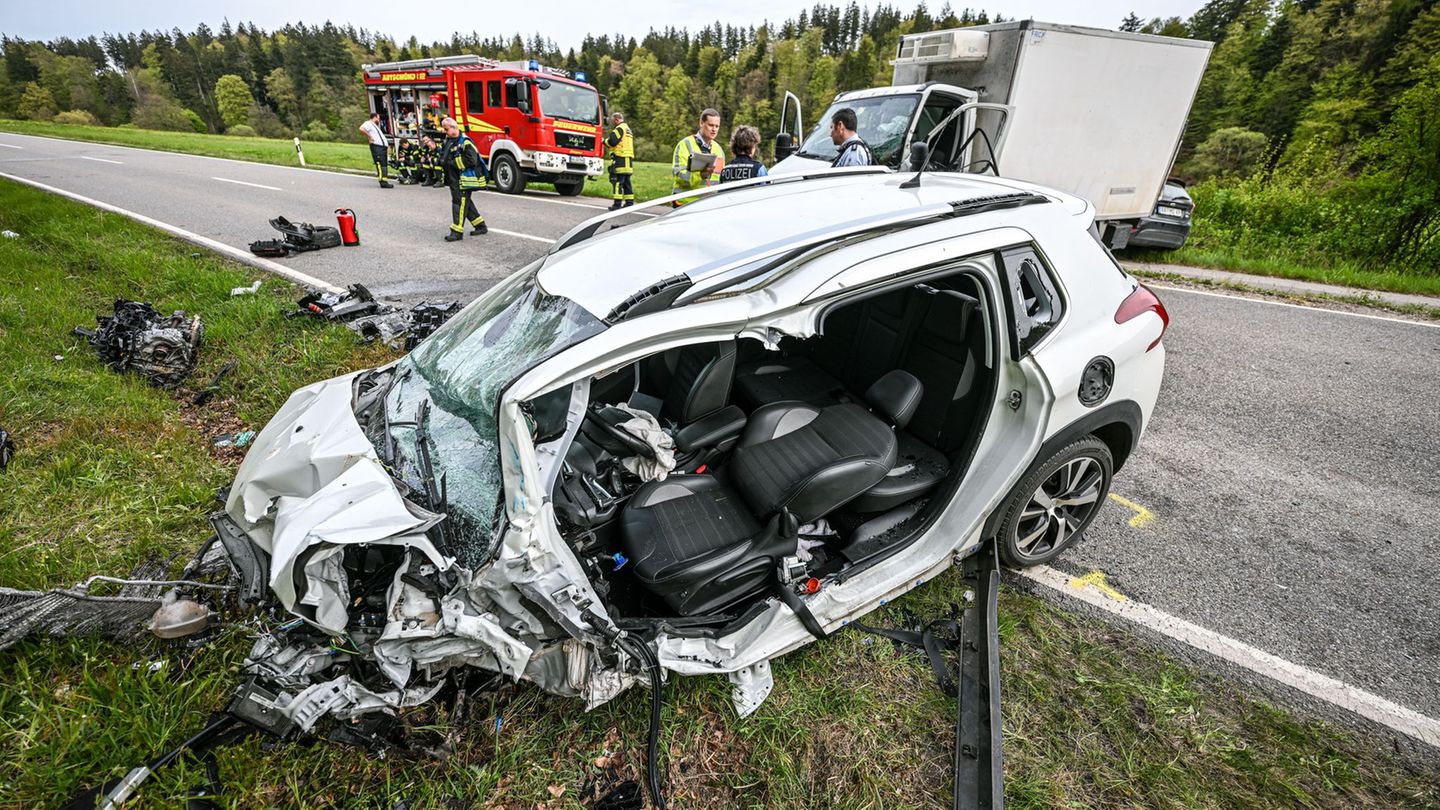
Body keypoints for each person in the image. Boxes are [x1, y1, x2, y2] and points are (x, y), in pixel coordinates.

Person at [438, 117, 488, 242]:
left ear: (454, 128)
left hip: (463, 180)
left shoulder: (465, 142)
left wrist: (452, 163)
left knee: (459, 203)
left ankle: (456, 232)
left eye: (446, 129)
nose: (445, 132)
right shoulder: (449, 140)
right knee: (466, 203)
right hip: (454, 179)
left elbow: (472, 160)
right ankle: (480, 226)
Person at [671, 108, 726, 206]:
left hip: (710, 205)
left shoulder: (719, 149)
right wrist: (700, 175)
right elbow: (679, 175)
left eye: (717, 126)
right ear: (701, 123)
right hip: (686, 204)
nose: (714, 129)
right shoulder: (685, 144)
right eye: (711, 125)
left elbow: (720, 180)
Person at [604, 112, 635, 210]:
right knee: (626, 182)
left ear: (616, 120)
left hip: (620, 158)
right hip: (628, 159)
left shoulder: (619, 129)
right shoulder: (628, 129)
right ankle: (629, 203)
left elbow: (612, 142)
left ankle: (617, 205)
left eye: (613, 121)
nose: (613, 123)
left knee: (617, 181)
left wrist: (604, 141)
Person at [359, 111, 394, 188]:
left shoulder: (374, 125)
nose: (379, 120)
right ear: (374, 117)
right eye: (378, 118)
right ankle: (382, 182)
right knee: (380, 164)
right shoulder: (368, 123)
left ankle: (384, 180)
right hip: (377, 148)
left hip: (381, 148)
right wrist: (370, 136)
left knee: (384, 164)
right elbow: (361, 129)